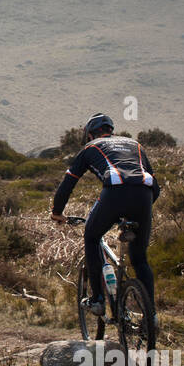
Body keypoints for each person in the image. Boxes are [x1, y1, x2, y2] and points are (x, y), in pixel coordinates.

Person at [49, 113, 160, 317]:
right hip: (145, 195)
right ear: (112, 131)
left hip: (115, 191)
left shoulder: (90, 148)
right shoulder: (135, 145)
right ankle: (151, 317)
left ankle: (98, 300)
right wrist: (133, 216)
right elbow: (156, 186)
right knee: (140, 259)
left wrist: (57, 212)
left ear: (90, 135)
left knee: (91, 238)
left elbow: (68, 185)